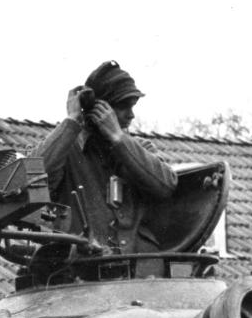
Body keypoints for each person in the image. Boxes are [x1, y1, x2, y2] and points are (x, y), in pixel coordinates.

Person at [35, 61, 177, 255]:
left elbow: (166, 185)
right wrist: (71, 122)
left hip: (139, 262)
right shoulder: (67, 149)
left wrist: (119, 139)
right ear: (99, 108)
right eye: (123, 106)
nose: (131, 115)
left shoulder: (140, 148)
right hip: (86, 263)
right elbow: (32, 178)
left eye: (133, 106)